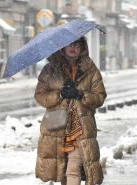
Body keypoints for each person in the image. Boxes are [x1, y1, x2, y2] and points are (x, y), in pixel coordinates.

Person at [34, 37, 107, 185]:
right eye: (70, 44)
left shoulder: (90, 69)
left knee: (73, 169)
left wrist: (81, 94)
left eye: (78, 45)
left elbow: (100, 97)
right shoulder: (50, 70)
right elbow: (40, 96)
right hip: (56, 125)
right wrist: (60, 95)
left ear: (82, 48)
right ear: (62, 47)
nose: (73, 47)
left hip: (80, 127)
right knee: (62, 172)